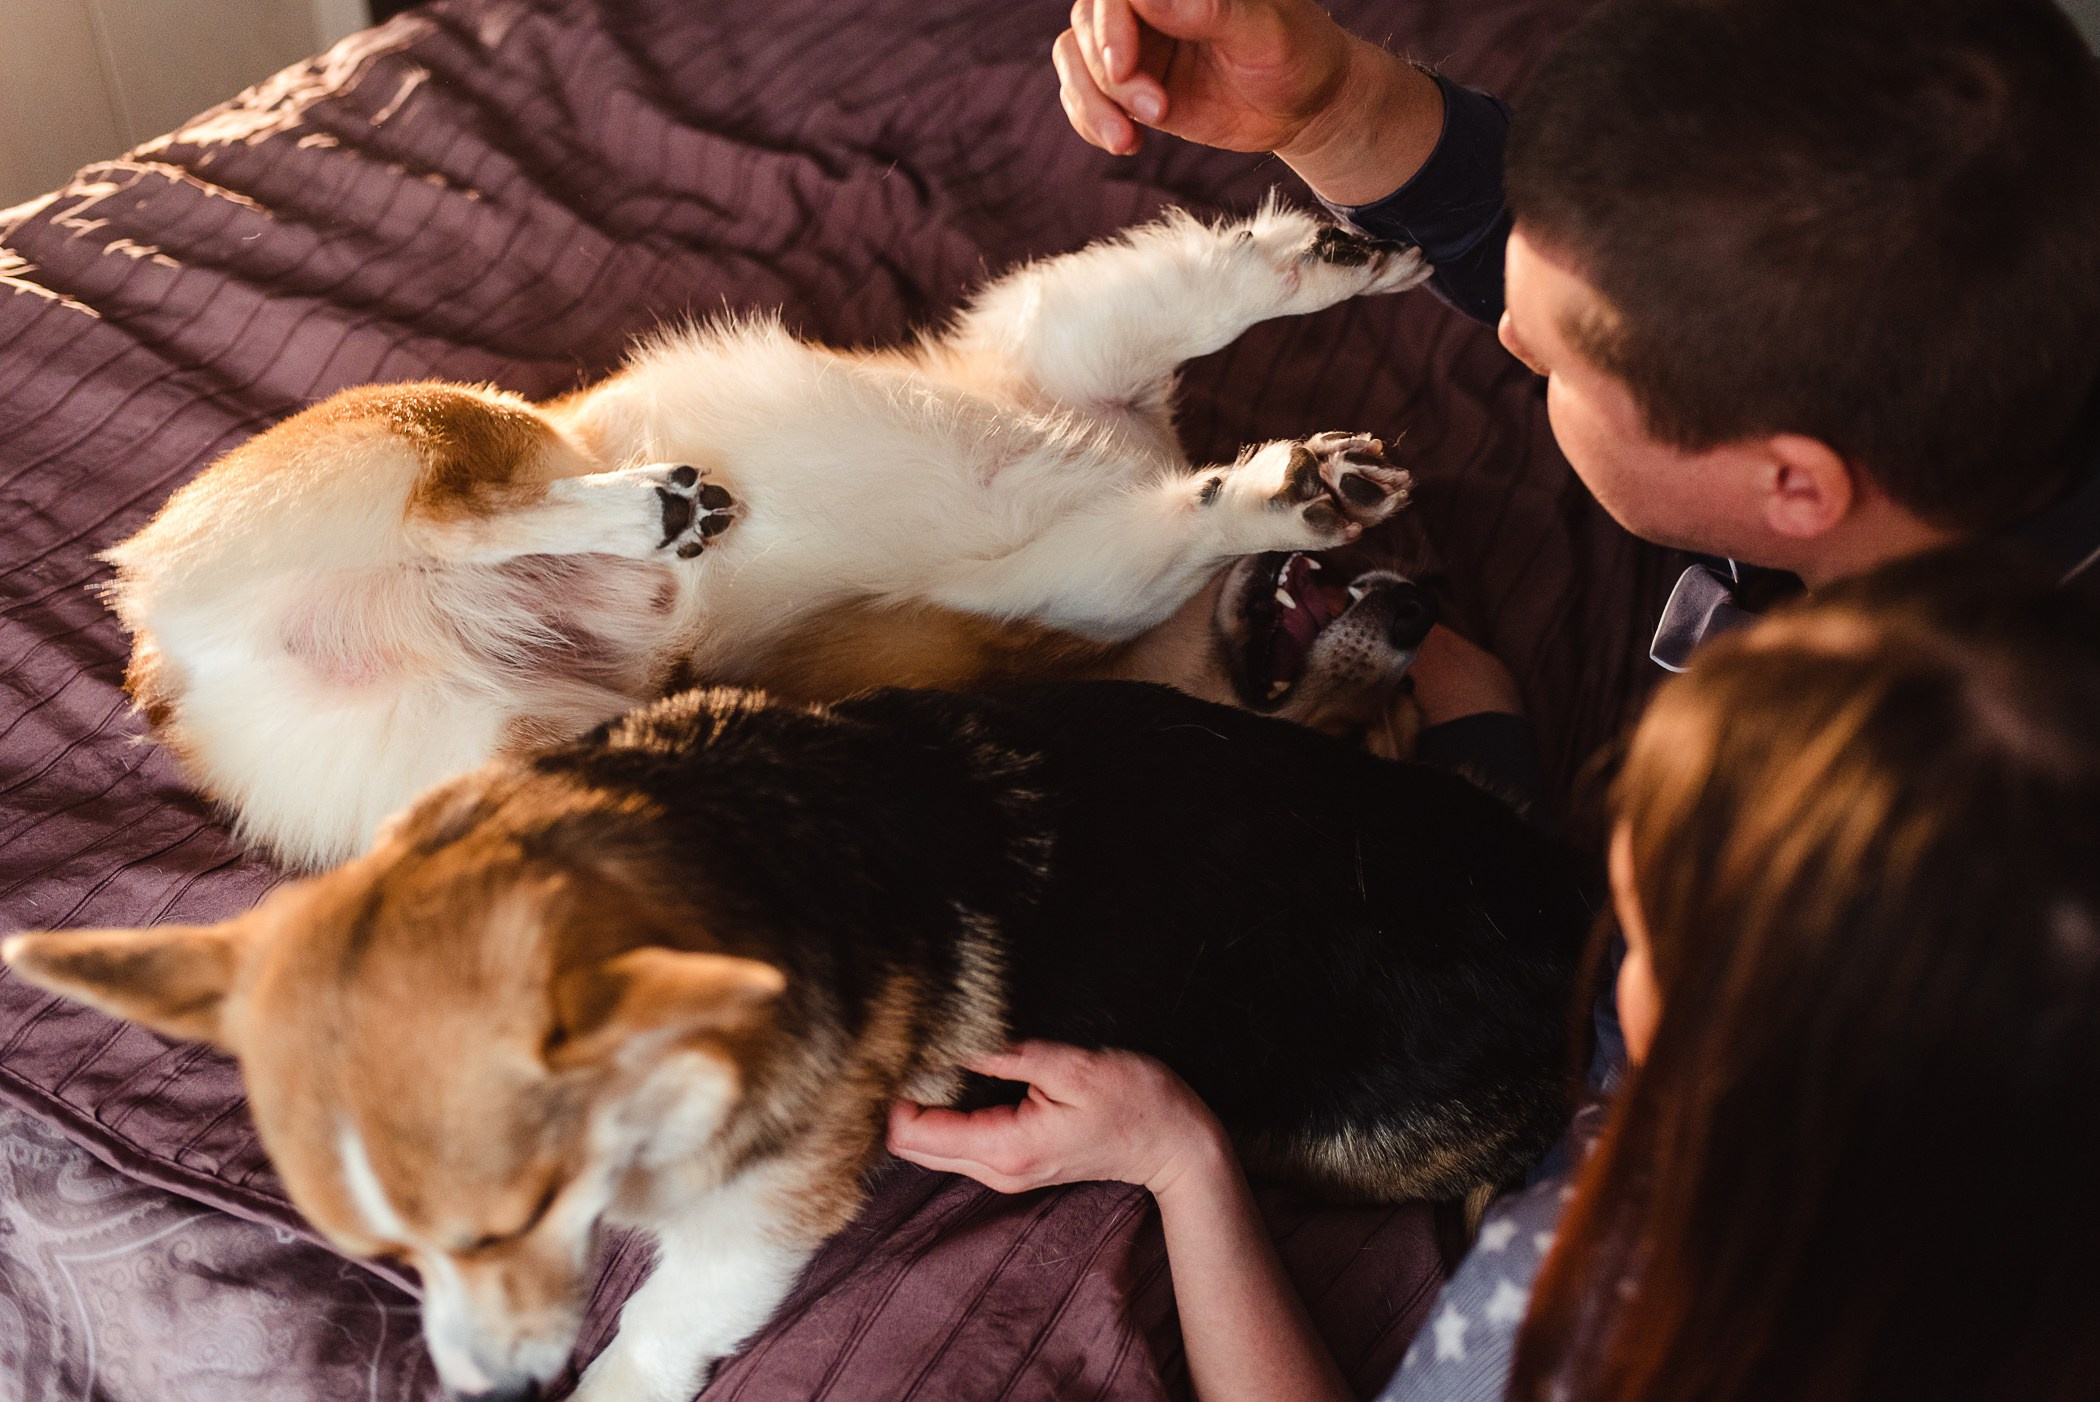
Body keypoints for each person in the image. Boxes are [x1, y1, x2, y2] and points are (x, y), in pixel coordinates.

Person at [890, 551, 2100, 1400]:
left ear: (1750, 1035)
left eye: (1652, 915)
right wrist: (1479, 757)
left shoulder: (1570, 1328)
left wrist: (1176, 1156)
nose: (1623, 916)